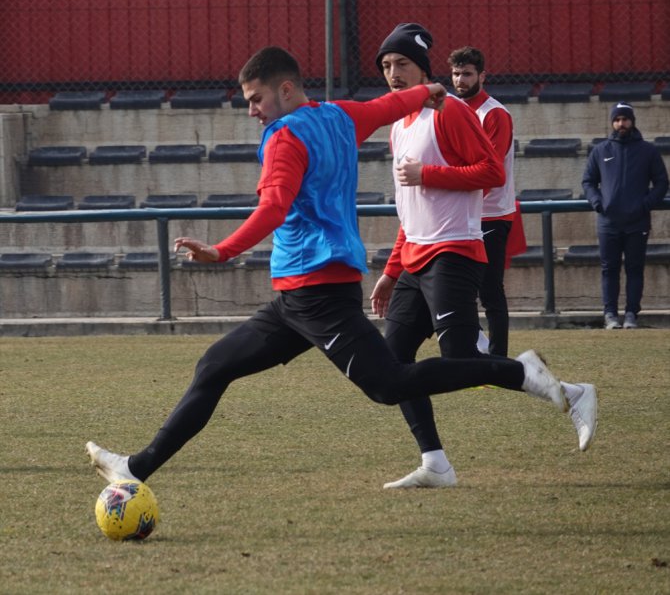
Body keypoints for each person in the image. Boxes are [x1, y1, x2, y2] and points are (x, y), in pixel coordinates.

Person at [86, 46, 596, 491]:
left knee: (389, 384)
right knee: (215, 365)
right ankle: (137, 466)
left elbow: (273, 208)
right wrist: (428, 92)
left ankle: (520, 372)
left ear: (285, 90)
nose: (251, 112)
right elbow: (386, 105)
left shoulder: (285, 137)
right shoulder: (336, 115)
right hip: (295, 298)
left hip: (319, 293)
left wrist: (222, 250)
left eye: (256, 100)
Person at [369, 25, 596, 489]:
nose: (393, 74)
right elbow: (407, 210)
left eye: (402, 65)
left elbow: (491, 171)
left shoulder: (448, 111)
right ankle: (436, 463)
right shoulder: (399, 125)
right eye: (386, 66)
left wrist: (428, 172)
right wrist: (391, 273)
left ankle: (566, 391)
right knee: (392, 368)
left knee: (455, 355)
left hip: (454, 250)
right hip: (414, 258)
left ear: (423, 70)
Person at [449, 45, 522, 357]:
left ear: (482, 75)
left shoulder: (494, 114)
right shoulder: (451, 110)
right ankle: (475, 353)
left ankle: (499, 358)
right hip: (462, 214)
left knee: (490, 291)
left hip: (490, 216)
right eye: (455, 73)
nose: (460, 80)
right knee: (459, 290)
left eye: (467, 74)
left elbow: (490, 175)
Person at [582, 102, 668, 330]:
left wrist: (645, 205)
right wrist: (597, 202)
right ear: (612, 122)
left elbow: (661, 183)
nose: (622, 123)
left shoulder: (648, 151)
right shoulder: (600, 151)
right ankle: (610, 314)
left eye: (625, 119)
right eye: (618, 119)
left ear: (632, 121)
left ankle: (631, 314)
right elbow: (588, 181)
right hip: (608, 222)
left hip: (637, 221)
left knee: (634, 268)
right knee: (609, 269)